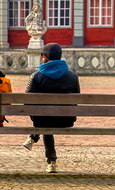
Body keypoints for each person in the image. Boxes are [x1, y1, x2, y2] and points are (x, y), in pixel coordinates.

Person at [21, 42, 79, 174]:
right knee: (47, 119)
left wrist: (37, 113)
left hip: (42, 120)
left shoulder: (36, 76)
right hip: (66, 120)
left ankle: (49, 159)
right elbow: (76, 101)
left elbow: (26, 101)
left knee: (44, 121)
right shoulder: (73, 76)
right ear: (60, 57)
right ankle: (50, 161)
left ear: (43, 57)